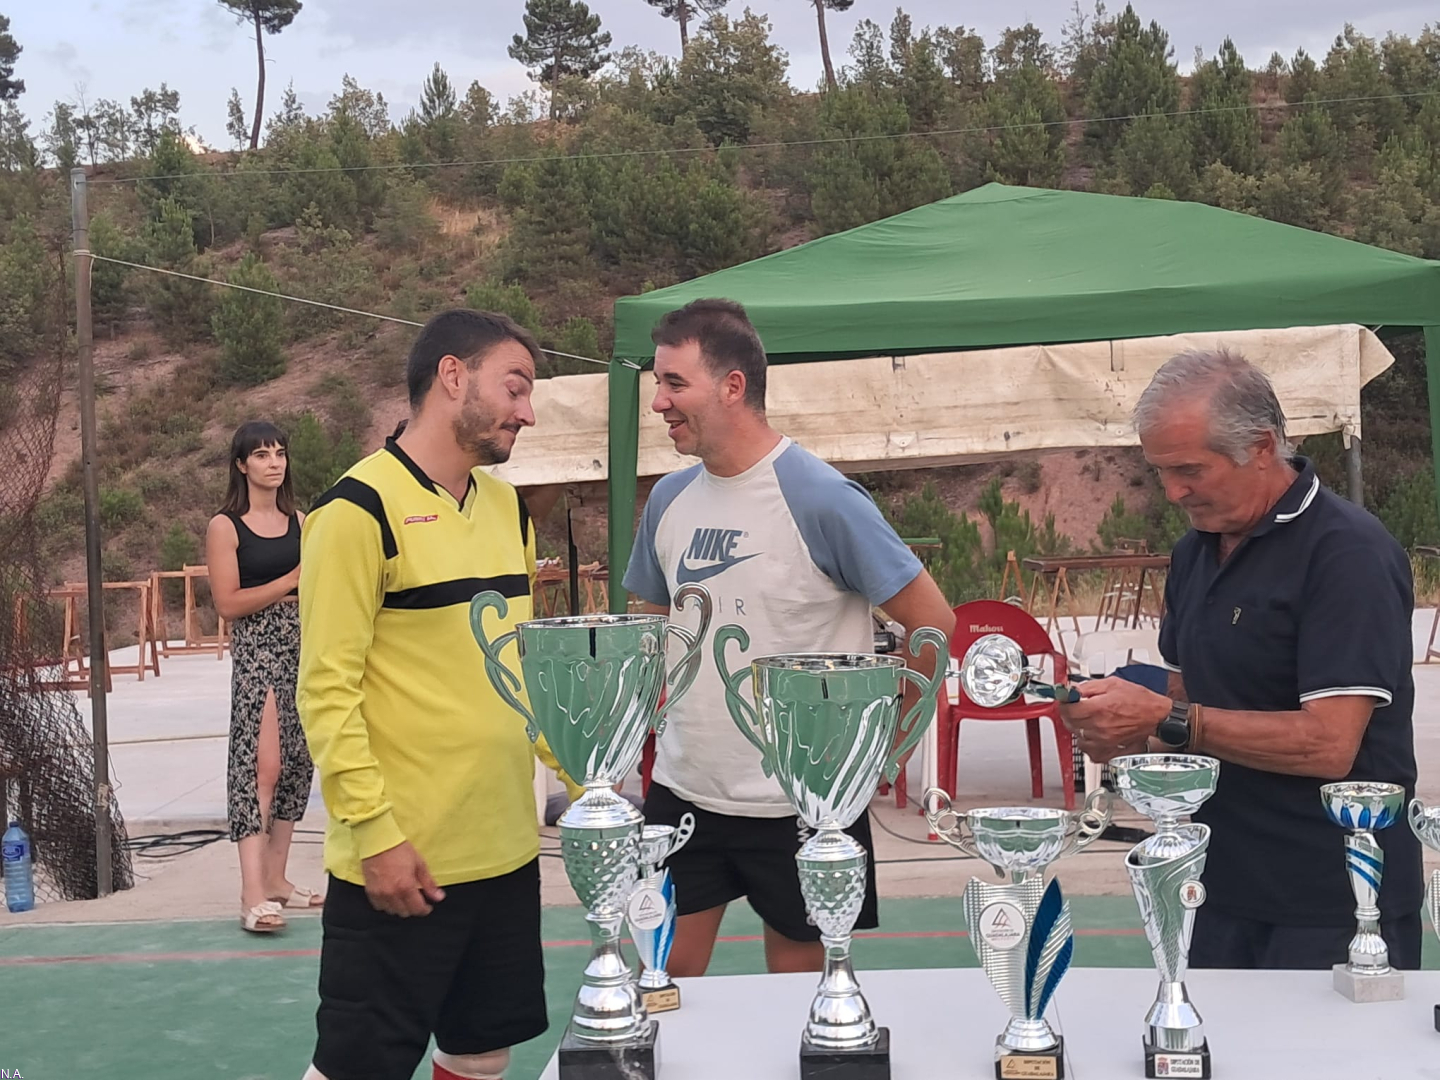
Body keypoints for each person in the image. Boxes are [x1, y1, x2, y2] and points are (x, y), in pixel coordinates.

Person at [1058, 347, 1422, 970]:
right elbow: (1188, 700)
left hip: (1335, 901)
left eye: (1189, 469)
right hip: (1213, 888)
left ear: (1261, 446)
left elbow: (1329, 745)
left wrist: (1167, 718)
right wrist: (1122, 730)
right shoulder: (1193, 552)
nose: (1173, 490)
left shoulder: (1348, 553)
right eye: (1159, 471)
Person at [622, 298, 956, 976]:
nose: (658, 402)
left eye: (674, 383)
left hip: (805, 802)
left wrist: (883, 746)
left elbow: (934, 623)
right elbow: (651, 627)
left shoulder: (822, 497)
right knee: (661, 988)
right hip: (684, 793)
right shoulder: (666, 500)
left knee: (799, 1001)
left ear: (732, 386)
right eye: (657, 383)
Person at [295, 309, 579, 1080]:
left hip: (506, 853)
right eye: (516, 387)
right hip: (403, 862)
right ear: (453, 376)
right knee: (358, 1067)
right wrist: (376, 835)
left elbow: (520, 670)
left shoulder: (508, 509)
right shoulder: (355, 510)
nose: (527, 411)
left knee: (481, 1053)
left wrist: (590, 788)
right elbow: (325, 691)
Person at [205, 420, 320, 935]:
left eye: (279, 453)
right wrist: (290, 580)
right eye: (261, 455)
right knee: (262, 766)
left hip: (304, 646)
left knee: (297, 764)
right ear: (241, 465)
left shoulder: (303, 521)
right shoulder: (226, 526)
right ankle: (251, 892)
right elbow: (228, 603)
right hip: (258, 651)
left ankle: (276, 878)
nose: (274, 463)